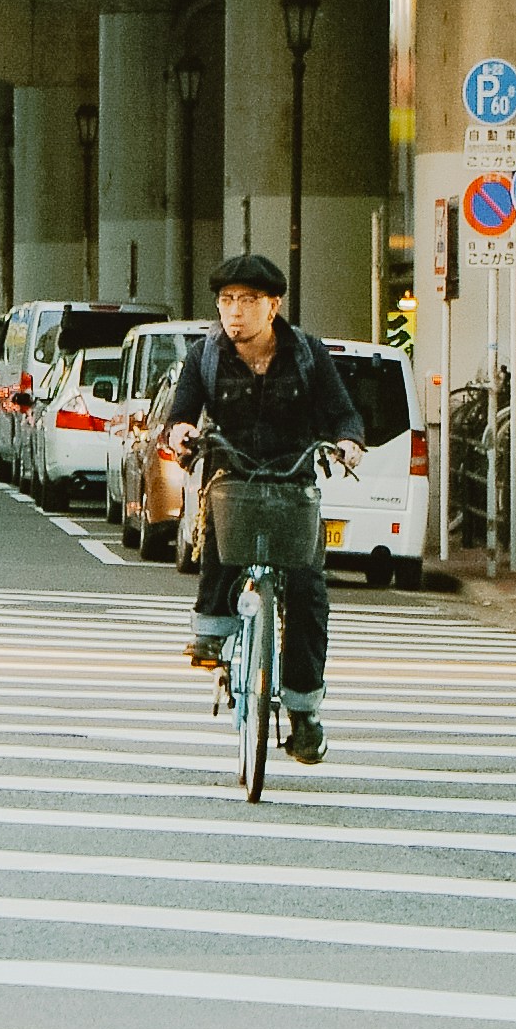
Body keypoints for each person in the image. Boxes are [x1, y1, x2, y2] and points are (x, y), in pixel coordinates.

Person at [161, 254, 364, 760]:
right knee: (221, 539)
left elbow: (344, 413)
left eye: (247, 301)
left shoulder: (308, 355)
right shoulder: (205, 356)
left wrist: (348, 440)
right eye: (226, 300)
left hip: (293, 478)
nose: (234, 311)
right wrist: (182, 431)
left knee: (308, 591)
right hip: (233, 471)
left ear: (273, 306)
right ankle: (211, 633)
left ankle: (303, 713)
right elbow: (181, 413)